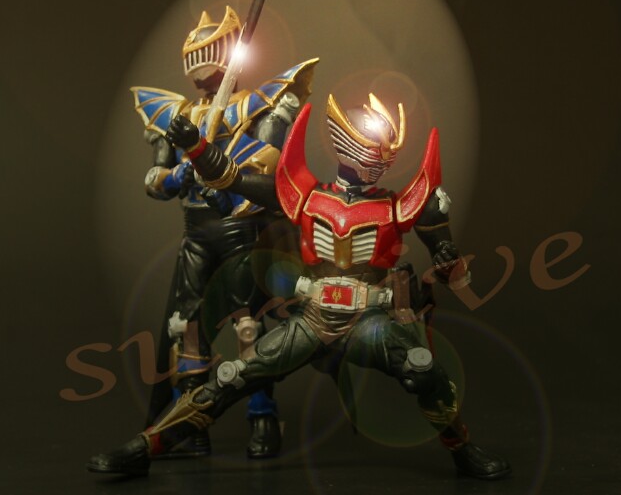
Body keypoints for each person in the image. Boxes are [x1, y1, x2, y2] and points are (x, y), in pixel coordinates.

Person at [88, 93, 511, 480]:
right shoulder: (305, 196)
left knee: (424, 370)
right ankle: (147, 446)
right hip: (311, 321)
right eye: (375, 146)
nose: (380, 158)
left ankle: (463, 451)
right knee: (232, 376)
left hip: (369, 322)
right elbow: (231, 178)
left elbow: (455, 275)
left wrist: (447, 260)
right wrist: (196, 146)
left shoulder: (399, 205)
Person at [131, 4, 318, 458]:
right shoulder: (175, 115)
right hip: (197, 231)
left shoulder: (261, 104)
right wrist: (177, 177)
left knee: (248, 325)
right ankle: (190, 424)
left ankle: (262, 414)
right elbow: (155, 180)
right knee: (189, 328)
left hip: (240, 227)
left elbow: (270, 171)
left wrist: (222, 172)